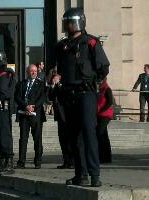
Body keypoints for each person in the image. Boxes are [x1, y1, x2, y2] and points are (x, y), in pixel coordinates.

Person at [52, 8, 110, 187]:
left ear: (78, 22)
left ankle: (95, 175)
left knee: (88, 133)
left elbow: (103, 67)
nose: (68, 25)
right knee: (74, 136)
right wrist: (56, 77)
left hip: (86, 94)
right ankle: (81, 174)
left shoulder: (91, 42)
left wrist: (93, 83)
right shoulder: (62, 46)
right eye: (66, 22)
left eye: (70, 22)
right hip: (69, 95)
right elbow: (57, 68)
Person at [14, 64, 46, 169]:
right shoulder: (21, 83)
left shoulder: (41, 84)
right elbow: (17, 97)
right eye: (31, 71)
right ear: (27, 72)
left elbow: (42, 98)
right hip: (24, 114)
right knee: (23, 139)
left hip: (36, 115)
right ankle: (21, 161)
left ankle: (38, 161)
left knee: (37, 138)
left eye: (35, 71)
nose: (33, 73)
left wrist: (33, 107)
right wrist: (25, 106)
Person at [48, 75, 73, 169]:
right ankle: (66, 160)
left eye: (56, 78)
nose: (54, 79)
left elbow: (65, 94)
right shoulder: (55, 86)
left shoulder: (64, 84)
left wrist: (58, 84)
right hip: (59, 116)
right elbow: (50, 97)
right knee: (62, 139)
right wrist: (53, 86)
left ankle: (72, 161)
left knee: (68, 139)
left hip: (66, 116)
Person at [97, 78, 113, 163]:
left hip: (105, 114)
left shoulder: (107, 89)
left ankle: (105, 157)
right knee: (103, 135)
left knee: (100, 133)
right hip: (99, 114)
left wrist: (102, 110)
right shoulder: (99, 89)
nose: (99, 81)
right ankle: (105, 157)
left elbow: (110, 102)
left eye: (100, 80)